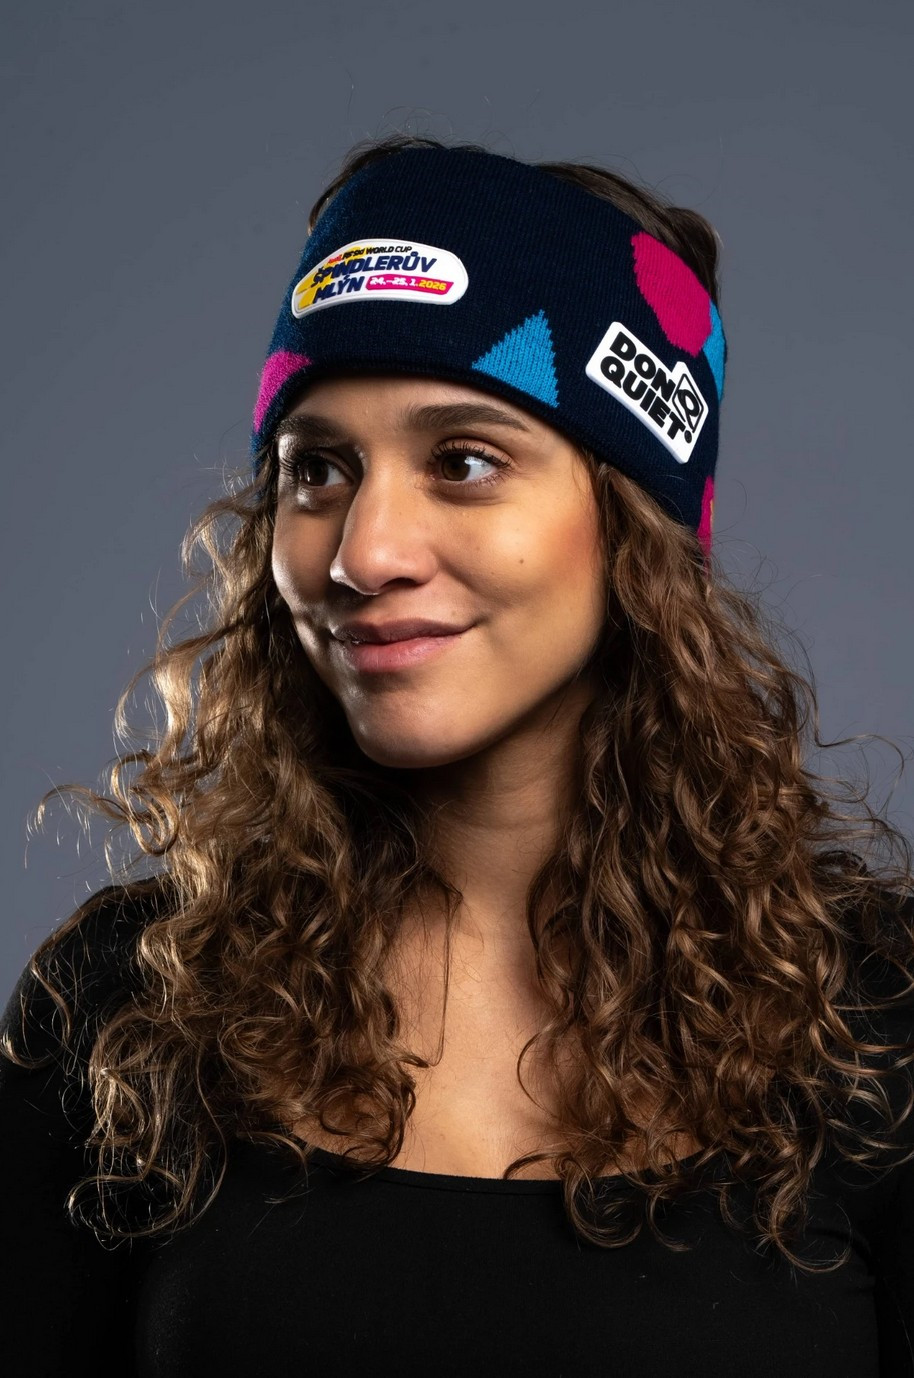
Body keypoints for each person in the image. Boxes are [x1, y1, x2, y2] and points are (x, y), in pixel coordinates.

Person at [1, 132, 913, 1377]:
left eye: (464, 461)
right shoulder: (126, 1007)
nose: (362, 552)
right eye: (317, 469)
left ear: (633, 526)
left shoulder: (871, 1021)